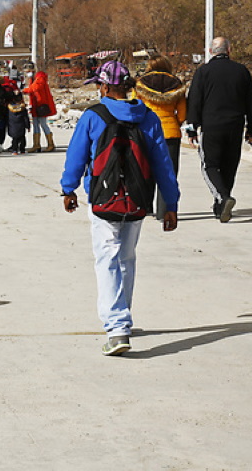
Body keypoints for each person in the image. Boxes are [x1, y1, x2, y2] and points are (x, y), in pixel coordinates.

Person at [59, 60, 179, 356]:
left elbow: (76, 157)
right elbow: (164, 165)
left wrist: (68, 189)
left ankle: (117, 327)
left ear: (103, 86)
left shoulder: (92, 116)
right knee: (126, 257)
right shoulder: (148, 117)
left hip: (103, 200)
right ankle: (122, 315)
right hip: (137, 201)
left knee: (106, 258)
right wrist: (170, 204)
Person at [185, 37, 252, 223]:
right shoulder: (241, 71)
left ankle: (223, 198)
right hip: (234, 126)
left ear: (211, 51)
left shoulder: (203, 72)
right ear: (229, 50)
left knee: (209, 165)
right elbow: (251, 102)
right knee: (229, 166)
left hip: (211, 127)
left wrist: (192, 127)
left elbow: (194, 101)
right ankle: (220, 206)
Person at [135, 56, 187, 221]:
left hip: (146, 133)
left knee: (145, 170)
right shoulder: (177, 85)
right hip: (170, 133)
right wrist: (174, 122)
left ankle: (145, 206)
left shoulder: (140, 85)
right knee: (168, 172)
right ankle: (163, 211)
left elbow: (134, 107)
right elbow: (183, 113)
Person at [22, 61, 56, 153]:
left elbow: (34, 88)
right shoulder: (33, 79)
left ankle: (51, 144)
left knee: (43, 124)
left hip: (41, 105)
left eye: (28, 71)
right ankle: (36, 145)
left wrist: (24, 90)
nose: (27, 73)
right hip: (35, 105)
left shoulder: (40, 78)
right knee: (36, 125)